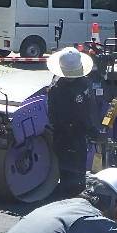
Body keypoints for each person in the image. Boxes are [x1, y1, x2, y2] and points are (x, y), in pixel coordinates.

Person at [46, 46, 100, 197]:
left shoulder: (55, 83)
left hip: (60, 135)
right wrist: (92, 130)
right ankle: (75, 199)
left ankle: (67, 197)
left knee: (65, 172)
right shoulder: (79, 86)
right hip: (73, 135)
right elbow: (83, 113)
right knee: (76, 173)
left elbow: (53, 114)